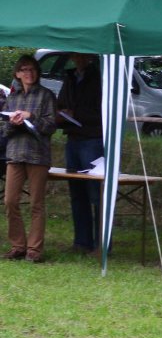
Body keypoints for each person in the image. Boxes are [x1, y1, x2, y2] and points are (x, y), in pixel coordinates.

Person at [3, 55, 58, 262]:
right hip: (15, 154)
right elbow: (4, 130)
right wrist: (13, 123)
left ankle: (34, 250)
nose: (29, 73)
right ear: (17, 74)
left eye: (33, 69)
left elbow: (52, 126)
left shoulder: (46, 96)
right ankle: (18, 245)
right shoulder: (12, 98)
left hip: (37, 155)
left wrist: (31, 117)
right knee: (10, 201)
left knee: (36, 203)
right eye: (24, 69)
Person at [54, 53, 104, 254]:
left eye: (83, 55)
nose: (79, 58)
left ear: (90, 56)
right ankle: (82, 242)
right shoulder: (70, 77)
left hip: (92, 138)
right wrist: (61, 114)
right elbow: (61, 104)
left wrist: (78, 115)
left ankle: (101, 243)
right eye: (76, 55)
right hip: (73, 139)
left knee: (96, 192)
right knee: (77, 193)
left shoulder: (100, 77)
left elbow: (104, 110)